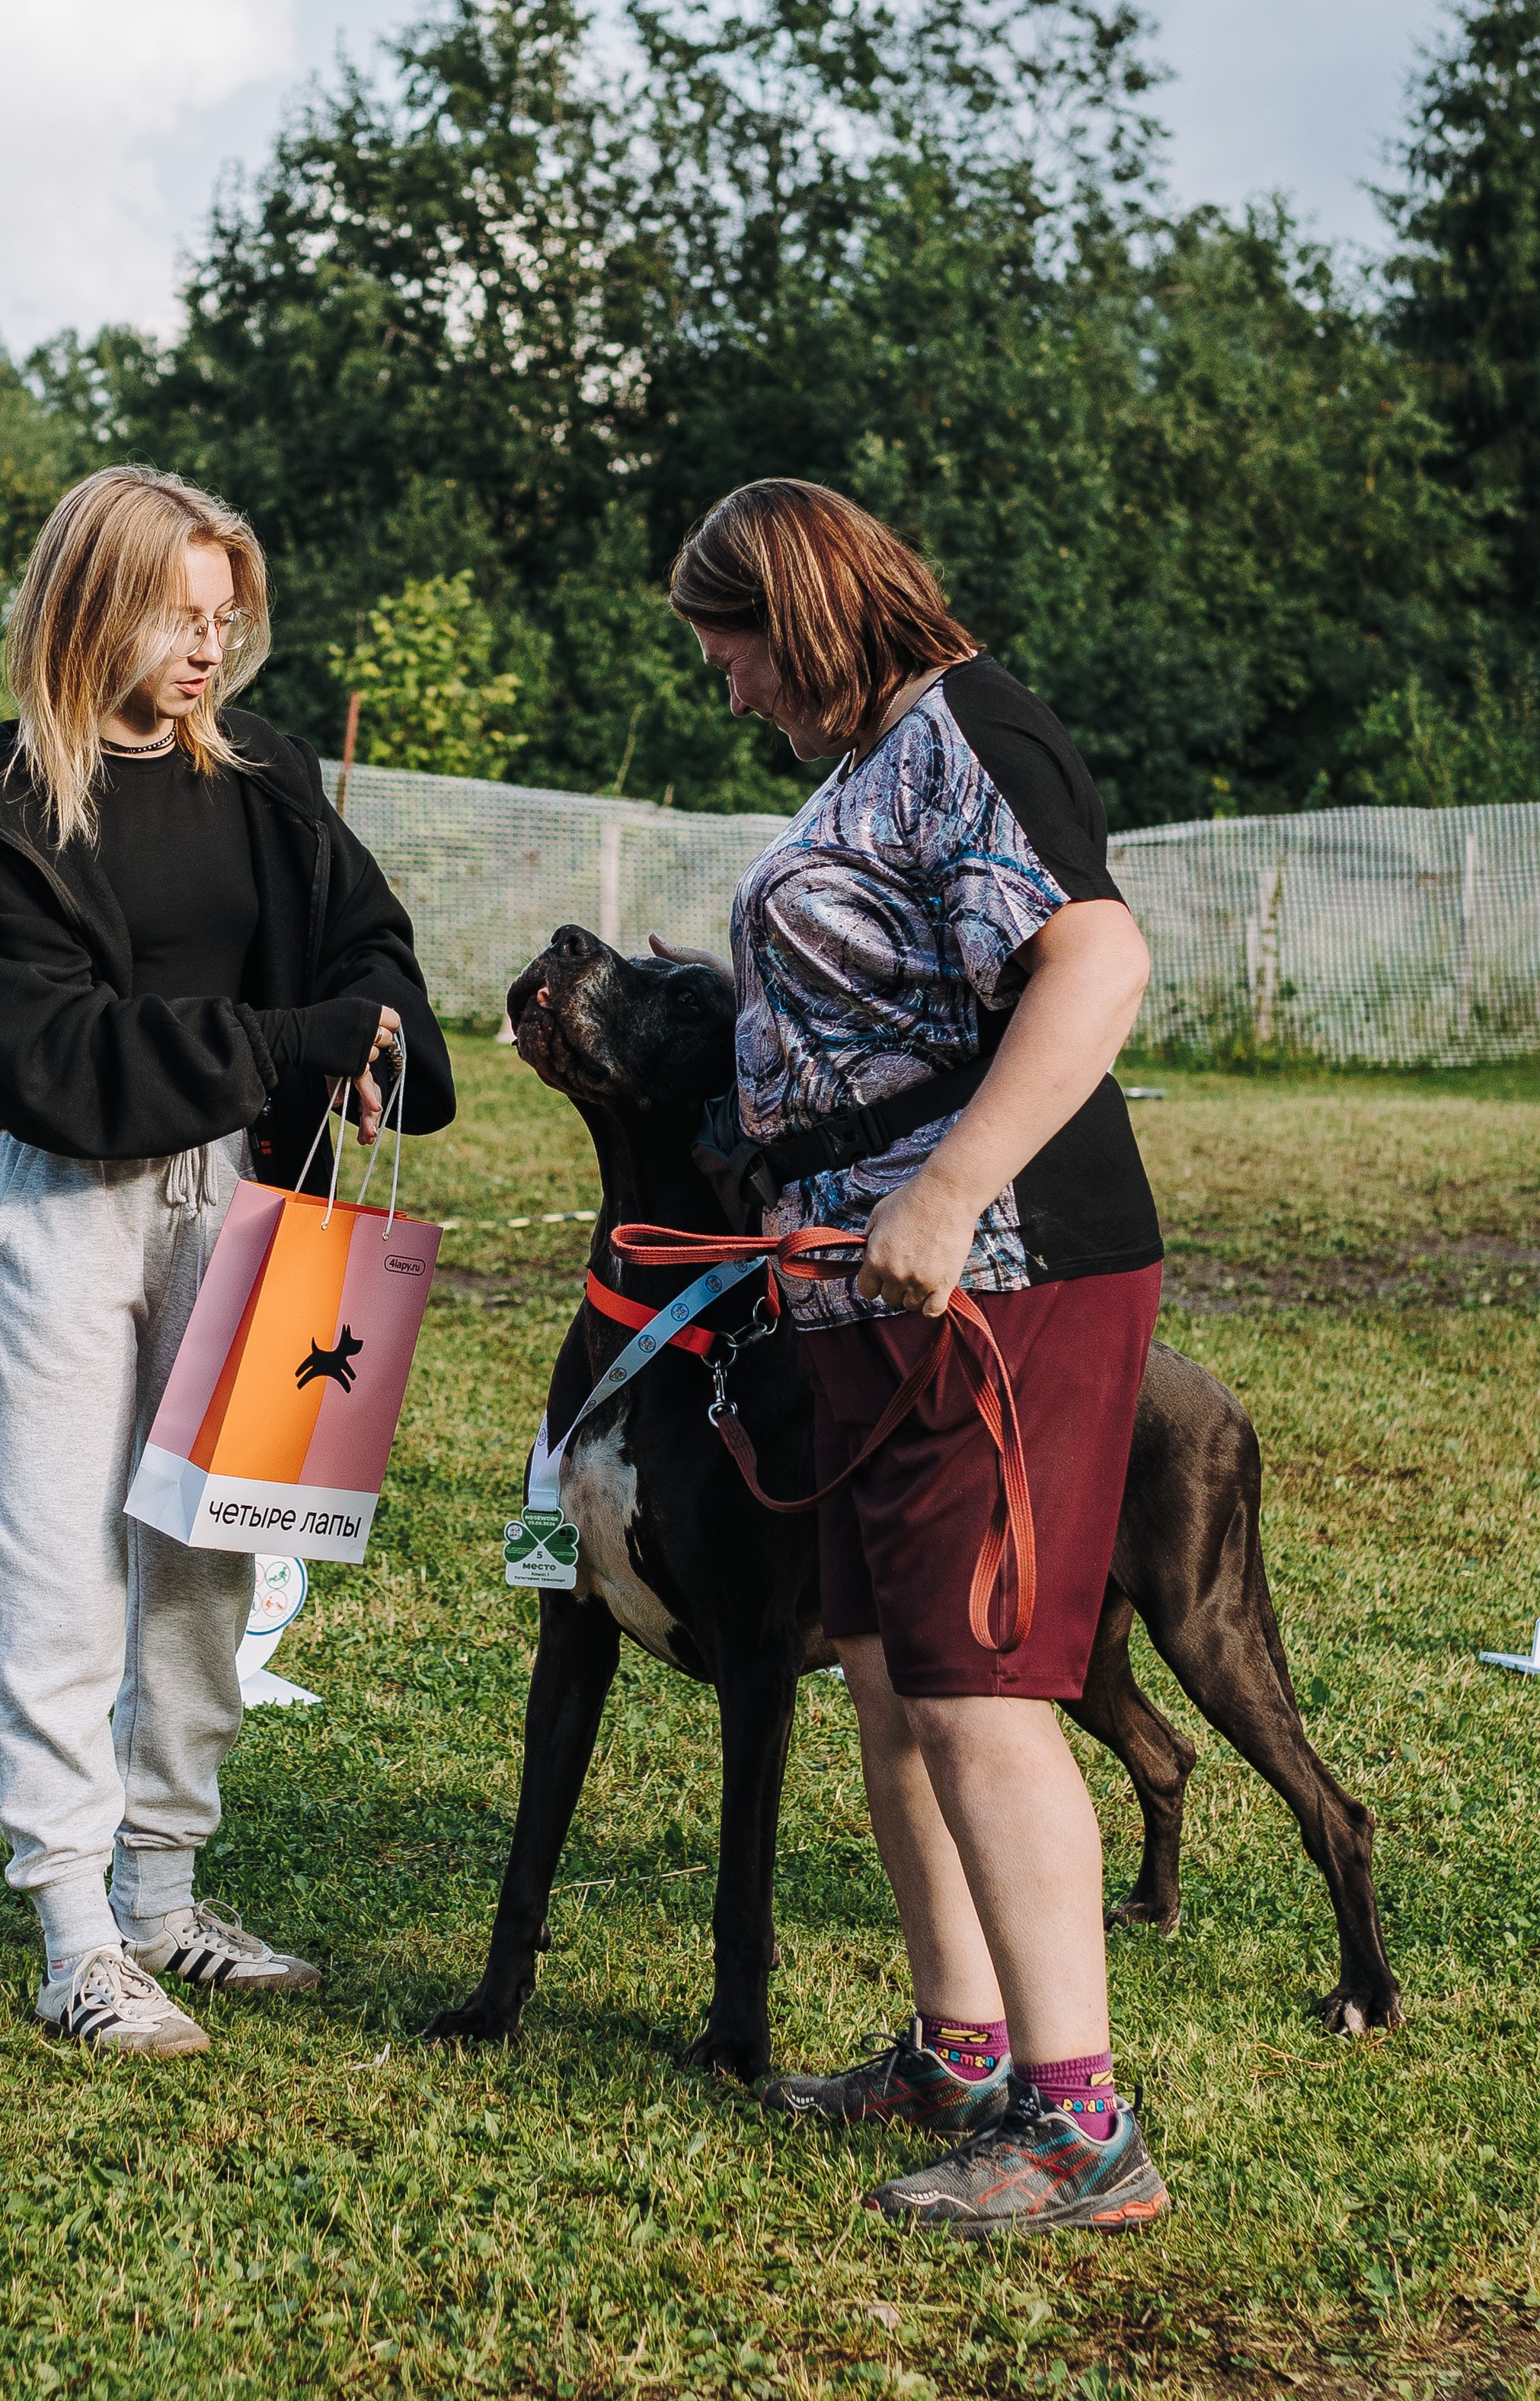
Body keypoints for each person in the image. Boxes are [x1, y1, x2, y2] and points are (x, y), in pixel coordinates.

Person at [663, 478, 1168, 2236]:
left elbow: (1095, 960)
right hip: (862, 1294)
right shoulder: (871, 761)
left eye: (721, 638)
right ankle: (959, 2054)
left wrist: (951, 1186)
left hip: (997, 1281)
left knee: (977, 1688)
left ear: (790, 605)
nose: (717, 680)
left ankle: (1079, 2124)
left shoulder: (974, 731)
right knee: (890, 1674)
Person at [0, 466, 454, 2057]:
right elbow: (38, 1043)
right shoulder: (17, 797)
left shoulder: (267, 778)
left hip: (235, 1188)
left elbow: (363, 937)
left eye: (228, 617)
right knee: (62, 1564)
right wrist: (278, 1035)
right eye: (182, 612)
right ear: (98, 602)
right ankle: (76, 1931)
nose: (209, 647)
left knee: (210, 1552)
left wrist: (369, 1030)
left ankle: (164, 1890)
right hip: (69, 1204)